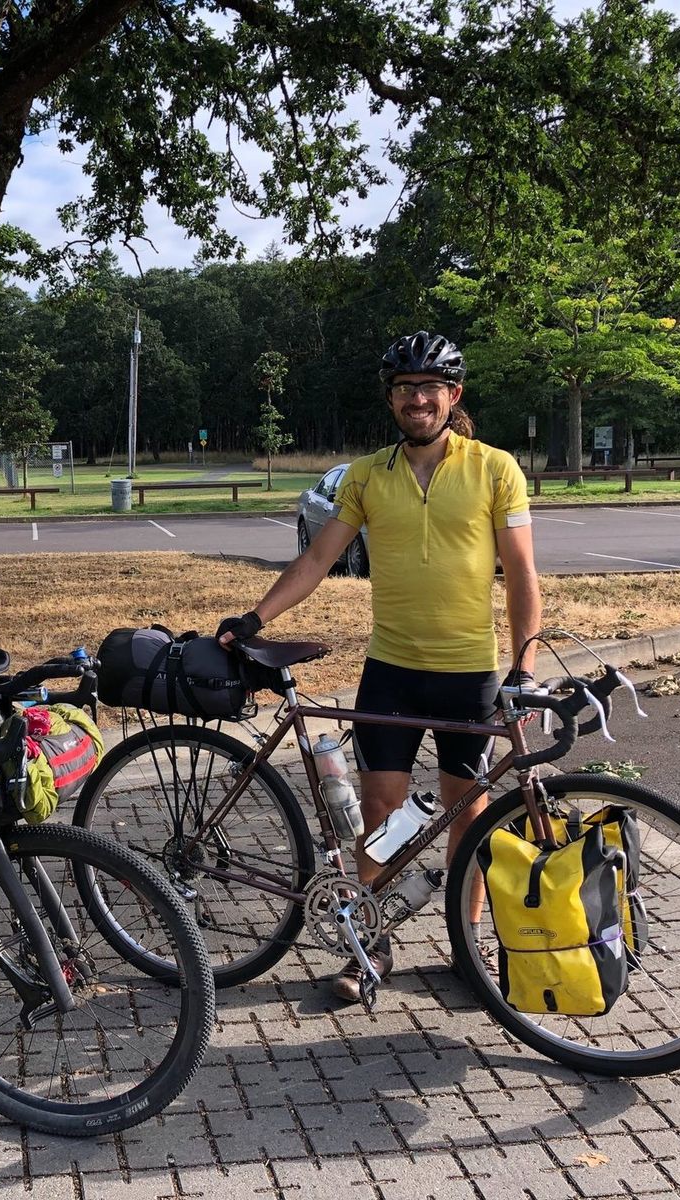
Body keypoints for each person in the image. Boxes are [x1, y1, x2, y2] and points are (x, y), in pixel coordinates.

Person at [217, 330, 541, 1002]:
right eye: (404, 389)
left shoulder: (494, 468)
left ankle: (467, 944)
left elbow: (522, 574)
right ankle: (371, 942)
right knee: (381, 810)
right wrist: (254, 619)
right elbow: (317, 559)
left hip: (469, 673)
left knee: (468, 812)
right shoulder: (367, 475)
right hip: (392, 669)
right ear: (391, 400)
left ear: (453, 395)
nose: (417, 399)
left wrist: (524, 665)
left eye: (430, 388)